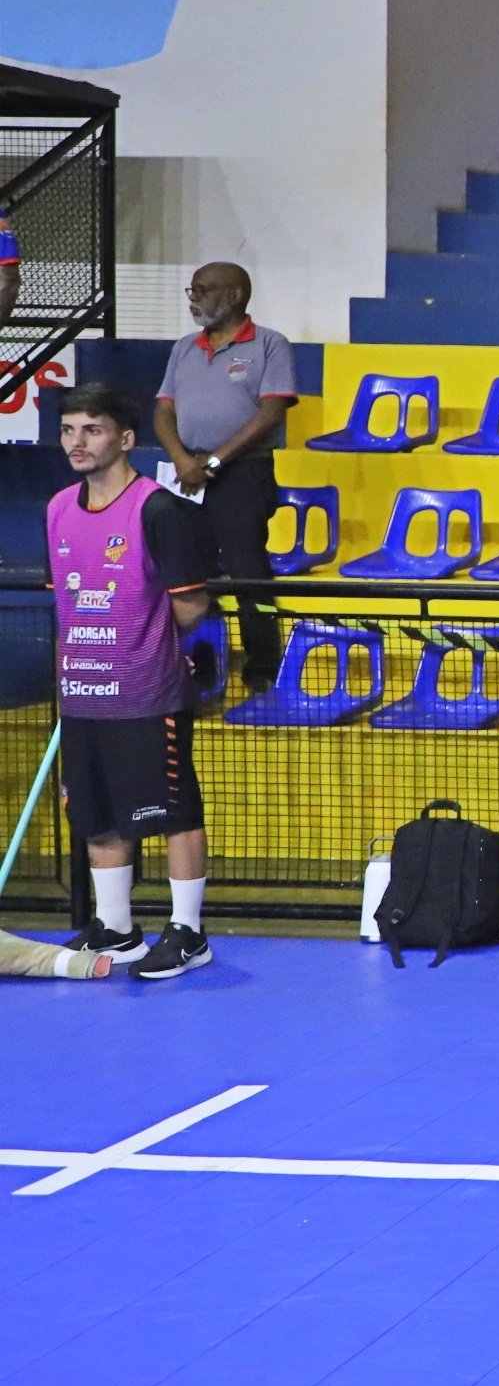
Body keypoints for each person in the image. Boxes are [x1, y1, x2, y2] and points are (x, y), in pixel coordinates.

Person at [48, 382, 215, 978]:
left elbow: (191, 605)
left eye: (91, 430)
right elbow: (68, 599)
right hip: (81, 691)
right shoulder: (57, 508)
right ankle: (117, 929)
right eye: (68, 430)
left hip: (147, 692)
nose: (77, 442)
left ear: (124, 439)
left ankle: (189, 933)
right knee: (95, 814)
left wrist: (147, 642)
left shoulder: (157, 509)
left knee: (173, 813)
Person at [154, 263, 296, 696]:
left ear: (234, 295)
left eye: (201, 289)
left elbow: (271, 413)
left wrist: (214, 460)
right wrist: (183, 460)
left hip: (243, 472)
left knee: (248, 573)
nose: (193, 298)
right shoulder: (184, 348)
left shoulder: (269, 343)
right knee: (186, 572)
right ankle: (197, 665)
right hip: (186, 474)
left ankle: (262, 668)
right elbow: (163, 411)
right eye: (191, 290)